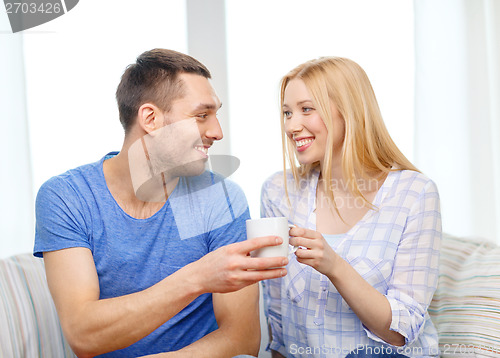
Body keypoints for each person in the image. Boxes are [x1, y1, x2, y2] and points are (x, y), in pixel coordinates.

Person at [33, 48, 288, 358]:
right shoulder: (67, 197)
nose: (217, 132)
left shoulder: (220, 198)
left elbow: (241, 339)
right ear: (151, 119)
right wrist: (197, 278)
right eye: (201, 116)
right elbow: (83, 335)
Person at [261, 57, 441, 358]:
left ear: (349, 112)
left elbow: (400, 332)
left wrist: (335, 267)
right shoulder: (279, 192)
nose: (292, 125)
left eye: (307, 109)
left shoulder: (414, 193)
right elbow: (279, 317)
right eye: (287, 113)